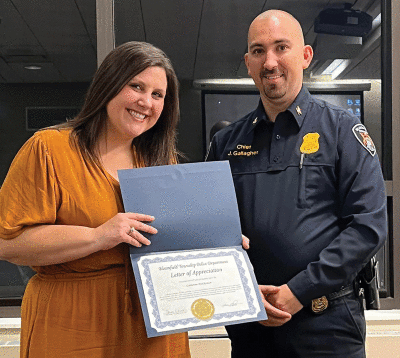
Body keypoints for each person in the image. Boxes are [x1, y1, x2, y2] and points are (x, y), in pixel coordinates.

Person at [206, 10, 387, 358]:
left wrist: (300, 290)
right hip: (252, 327)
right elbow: (213, 232)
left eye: (281, 47)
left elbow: (368, 227)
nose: (269, 61)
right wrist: (241, 288)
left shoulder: (343, 132)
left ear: (305, 56)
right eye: (258, 51)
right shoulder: (226, 143)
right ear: (247, 62)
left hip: (327, 325)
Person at [0, 41, 191, 358]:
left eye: (158, 95)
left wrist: (213, 240)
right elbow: (7, 242)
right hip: (72, 323)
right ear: (109, 85)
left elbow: (169, 241)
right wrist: (97, 236)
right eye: (136, 86)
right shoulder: (49, 149)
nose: (146, 102)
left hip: (153, 322)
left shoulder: (162, 161)